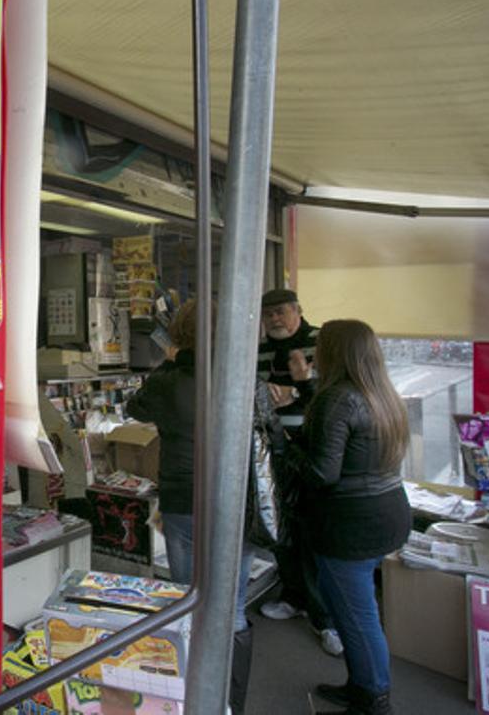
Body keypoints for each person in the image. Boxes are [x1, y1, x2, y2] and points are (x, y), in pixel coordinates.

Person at [126, 299, 281, 713]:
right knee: (231, 611)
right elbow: (274, 437)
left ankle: (191, 699)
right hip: (238, 504)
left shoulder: (166, 380)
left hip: (183, 500)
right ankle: (231, 703)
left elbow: (132, 408)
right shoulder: (247, 379)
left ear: (179, 335)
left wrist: (169, 363)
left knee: (187, 602)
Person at [298, 320, 410, 715]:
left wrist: (280, 444)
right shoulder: (382, 394)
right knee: (351, 603)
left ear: (335, 353)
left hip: (351, 524)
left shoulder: (339, 399)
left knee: (358, 615)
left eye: (320, 347)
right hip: (389, 511)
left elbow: (321, 474)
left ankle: (374, 698)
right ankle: (362, 683)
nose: (315, 355)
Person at [256, 288, 342, 657]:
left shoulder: (321, 341)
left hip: (313, 448)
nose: (275, 319)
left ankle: (326, 617)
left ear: (298, 311)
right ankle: (293, 594)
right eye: (269, 314)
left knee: (312, 531)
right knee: (280, 524)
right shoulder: (258, 349)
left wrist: (298, 391)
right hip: (272, 447)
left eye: (281, 312)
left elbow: (338, 397)